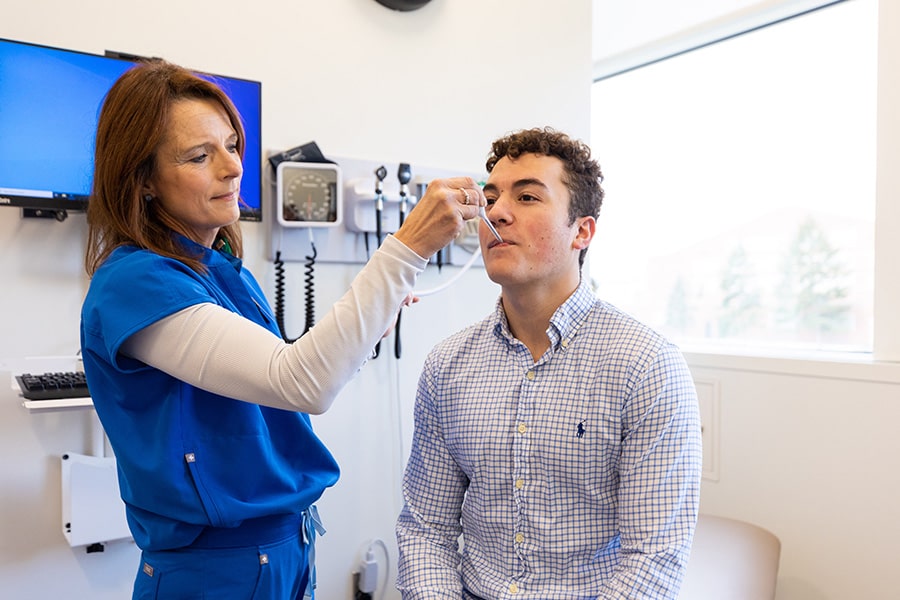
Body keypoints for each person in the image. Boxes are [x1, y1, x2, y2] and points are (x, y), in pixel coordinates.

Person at [79, 59, 485, 600]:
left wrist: (369, 328)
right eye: (200, 156)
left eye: (231, 145)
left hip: (287, 548)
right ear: (144, 178)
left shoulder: (221, 268)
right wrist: (406, 248)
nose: (231, 168)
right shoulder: (135, 282)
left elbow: (278, 381)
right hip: (216, 571)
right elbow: (301, 382)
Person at [396, 127, 703, 599]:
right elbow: (425, 531)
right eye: (492, 196)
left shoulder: (647, 367)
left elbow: (653, 560)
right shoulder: (447, 366)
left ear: (582, 230)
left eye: (527, 197)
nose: (496, 212)